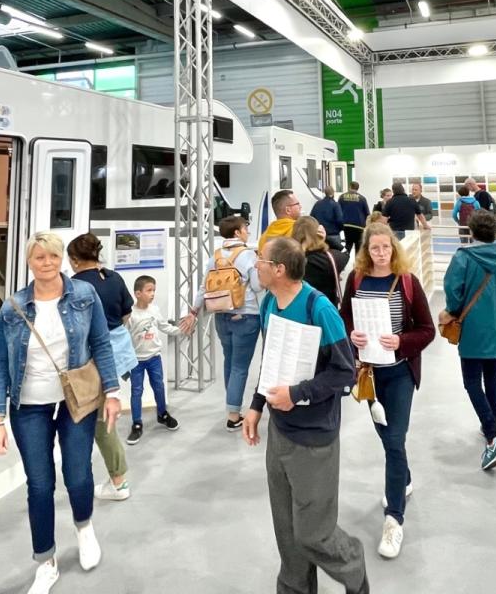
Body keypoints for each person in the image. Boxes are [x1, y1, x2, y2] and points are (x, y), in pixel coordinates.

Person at [0, 231, 120, 594]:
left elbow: (100, 344)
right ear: (29, 262)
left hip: (77, 400)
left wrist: (112, 392)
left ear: (62, 259)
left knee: (77, 474)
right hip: (29, 406)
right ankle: (45, 560)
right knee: (40, 484)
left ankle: (84, 527)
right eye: (39, 257)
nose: (46, 263)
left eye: (52, 256)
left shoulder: (84, 294)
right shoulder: (13, 307)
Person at [243, 237, 368, 594]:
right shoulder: (270, 303)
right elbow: (271, 360)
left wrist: (297, 394)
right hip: (279, 433)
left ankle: (353, 567)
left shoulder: (320, 309)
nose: (256, 265)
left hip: (314, 440)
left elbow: (344, 372)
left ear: (279, 269)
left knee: (314, 533)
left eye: (261, 259)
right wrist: (257, 405)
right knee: (286, 530)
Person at [339, 222, 435, 559]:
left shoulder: (408, 282)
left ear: (394, 248)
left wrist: (401, 341)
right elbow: (344, 317)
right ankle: (403, 478)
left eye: (386, 247)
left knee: (394, 440)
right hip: (370, 375)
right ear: (366, 251)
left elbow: (427, 329)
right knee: (387, 437)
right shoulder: (356, 280)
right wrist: (351, 334)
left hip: (400, 373)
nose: (381, 253)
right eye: (375, 248)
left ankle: (394, 519)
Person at [439, 210, 496, 472]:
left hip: (472, 327)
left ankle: (493, 435)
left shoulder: (463, 257)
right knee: (493, 377)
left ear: (471, 231)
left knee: (472, 381)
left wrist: (454, 311)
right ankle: (490, 424)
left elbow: (453, 291)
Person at [67, 234, 138, 503]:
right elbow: (126, 314)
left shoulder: (74, 286)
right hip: (117, 354)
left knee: (100, 422)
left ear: (74, 260)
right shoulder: (114, 278)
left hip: (89, 360)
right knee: (101, 416)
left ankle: (118, 482)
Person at [181, 215, 262, 431]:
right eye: (245, 228)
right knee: (240, 367)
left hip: (221, 315)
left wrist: (194, 312)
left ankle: (231, 407)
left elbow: (203, 287)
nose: (247, 231)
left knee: (230, 361)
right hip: (245, 315)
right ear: (237, 232)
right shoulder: (248, 255)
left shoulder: (214, 256)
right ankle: (233, 416)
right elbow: (257, 286)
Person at [125, 276, 182, 439]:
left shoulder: (154, 310)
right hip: (136, 361)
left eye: (154, 290)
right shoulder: (130, 314)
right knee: (136, 391)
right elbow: (123, 335)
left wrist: (181, 330)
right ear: (138, 293)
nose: (152, 294)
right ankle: (137, 423)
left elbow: (165, 326)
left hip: (154, 358)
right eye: (149, 290)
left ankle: (162, 414)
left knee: (159, 387)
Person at [292, 215, 349, 307]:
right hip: (325, 308)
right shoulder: (330, 258)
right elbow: (345, 253)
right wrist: (326, 238)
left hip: (299, 308)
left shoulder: (291, 259)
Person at [339, 181, 370, 254]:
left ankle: (345, 258)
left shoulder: (342, 197)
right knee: (358, 246)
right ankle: (357, 261)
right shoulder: (362, 198)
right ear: (358, 188)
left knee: (348, 244)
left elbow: (338, 210)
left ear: (349, 186)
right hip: (359, 226)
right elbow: (367, 213)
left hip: (346, 225)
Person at [310, 185, 345, 251]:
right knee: (335, 254)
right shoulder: (335, 205)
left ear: (325, 193)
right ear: (333, 193)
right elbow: (340, 220)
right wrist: (340, 229)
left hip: (320, 235)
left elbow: (311, 218)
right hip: (333, 235)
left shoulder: (317, 204)